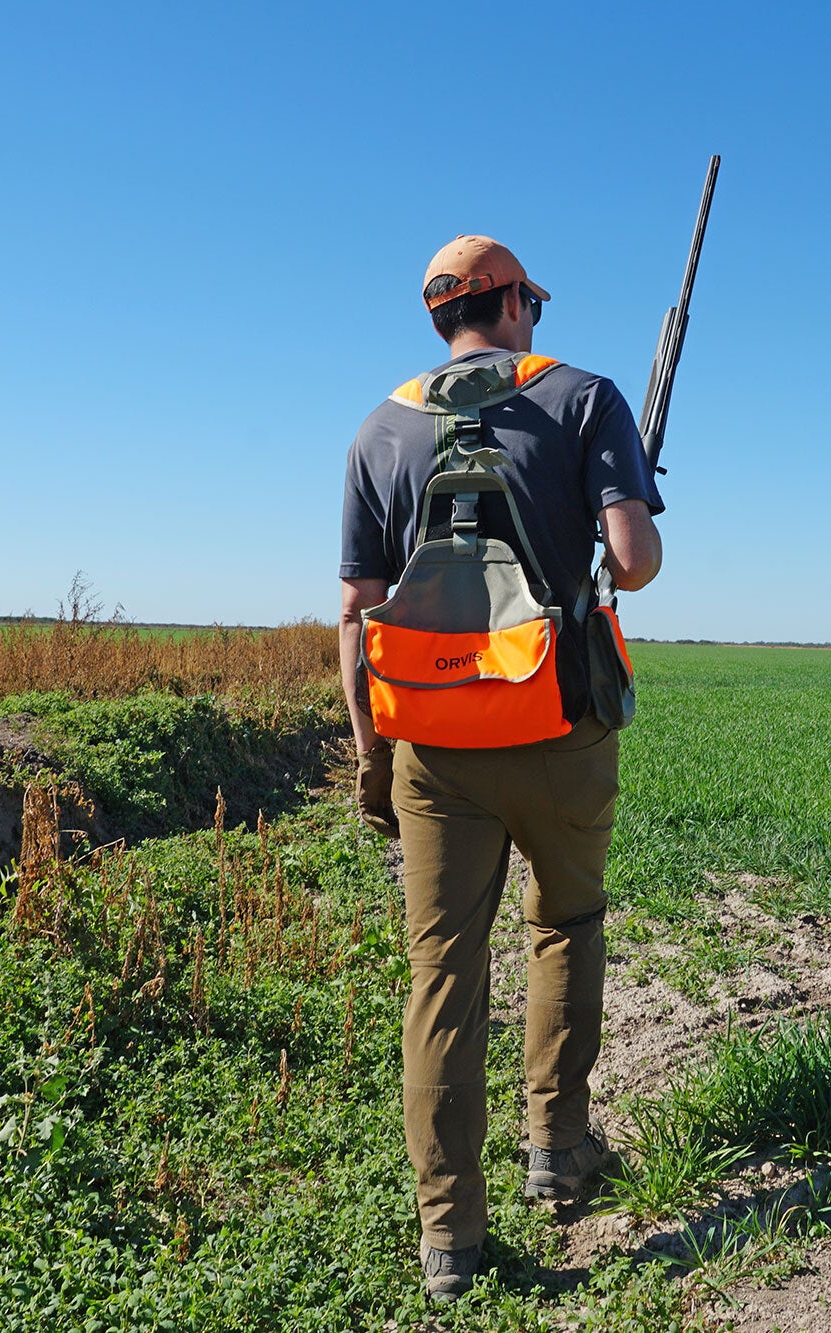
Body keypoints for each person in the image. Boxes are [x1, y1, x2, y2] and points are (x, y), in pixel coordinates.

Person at [337, 235, 664, 1304]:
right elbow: (631, 564)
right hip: (558, 723)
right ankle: (557, 1151)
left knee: (442, 973)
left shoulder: (379, 427)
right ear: (516, 303)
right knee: (564, 922)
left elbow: (355, 614)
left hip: (432, 746)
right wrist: (628, 481)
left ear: (442, 318)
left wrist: (370, 755)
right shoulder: (583, 398)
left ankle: (450, 1241)